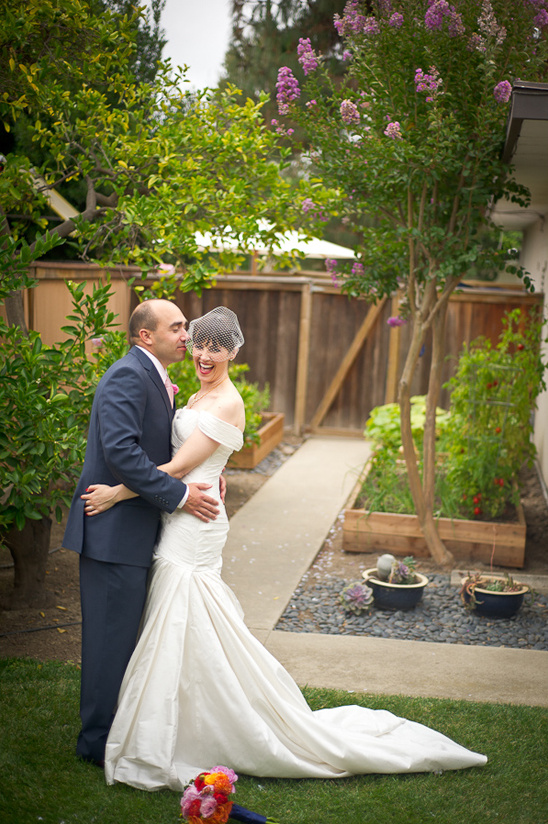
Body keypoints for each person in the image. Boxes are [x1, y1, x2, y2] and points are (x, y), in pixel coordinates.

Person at [83, 307, 487, 790]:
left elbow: (175, 469)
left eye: (217, 347)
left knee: (185, 616)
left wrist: (118, 492)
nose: (205, 354)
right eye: (198, 343)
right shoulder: (189, 390)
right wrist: (211, 473)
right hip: (181, 516)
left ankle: (191, 725)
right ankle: (176, 717)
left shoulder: (227, 401)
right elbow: (180, 458)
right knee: (181, 622)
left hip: (194, 523)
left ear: (234, 351)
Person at [62, 298, 224, 768]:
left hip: (136, 531)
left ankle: (120, 727)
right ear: (145, 335)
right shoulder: (127, 375)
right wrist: (178, 494)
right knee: (108, 641)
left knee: (125, 640)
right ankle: (95, 743)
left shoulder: (154, 376)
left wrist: (207, 472)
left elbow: (160, 445)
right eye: (176, 327)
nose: (186, 335)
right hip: (113, 535)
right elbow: (121, 454)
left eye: (184, 327)